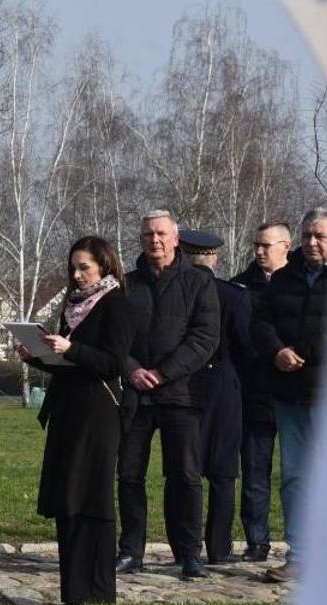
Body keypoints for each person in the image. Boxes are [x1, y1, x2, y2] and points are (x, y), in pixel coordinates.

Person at [22, 236, 134, 605]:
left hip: (98, 413)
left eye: (84, 267)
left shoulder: (116, 304)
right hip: (67, 409)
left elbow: (113, 362)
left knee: (93, 498)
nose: (77, 274)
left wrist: (72, 348)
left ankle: (99, 591)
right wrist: (35, 354)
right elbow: (67, 364)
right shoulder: (72, 306)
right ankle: (73, 590)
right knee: (67, 496)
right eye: (73, 267)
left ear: (104, 266)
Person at [115, 209, 220, 579]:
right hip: (136, 395)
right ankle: (130, 551)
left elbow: (204, 339)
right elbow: (114, 339)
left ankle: (189, 553)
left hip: (181, 394)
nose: (154, 240)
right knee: (129, 474)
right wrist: (131, 370)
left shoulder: (198, 283)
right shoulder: (125, 285)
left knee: (185, 476)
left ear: (176, 239)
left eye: (160, 234)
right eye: (147, 235)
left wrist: (163, 372)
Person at [252, 206, 327, 584]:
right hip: (290, 395)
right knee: (295, 477)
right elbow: (260, 322)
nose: (311, 242)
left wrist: (307, 351)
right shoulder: (284, 277)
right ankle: (300, 555)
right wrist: (277, 350)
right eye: (306, 235)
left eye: (319, 236)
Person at [179, 228, 253, 563]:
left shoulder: (176, 290)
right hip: (225, 387)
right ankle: (219, 550)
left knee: (184, 471)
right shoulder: (234, 295)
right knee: (223, 475)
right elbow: (245, 346)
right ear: (214, 257)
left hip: (182, 386)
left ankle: (184, 548)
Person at [233, 222, 292, 562]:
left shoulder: (302, 285)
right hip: (255, 391)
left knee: (299, 473)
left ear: (285, 247)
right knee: (255, 472)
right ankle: (257, 541)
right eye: (256, 244)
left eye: (266, 245)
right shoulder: (242, 287)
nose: (258, 251)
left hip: (297, 391)